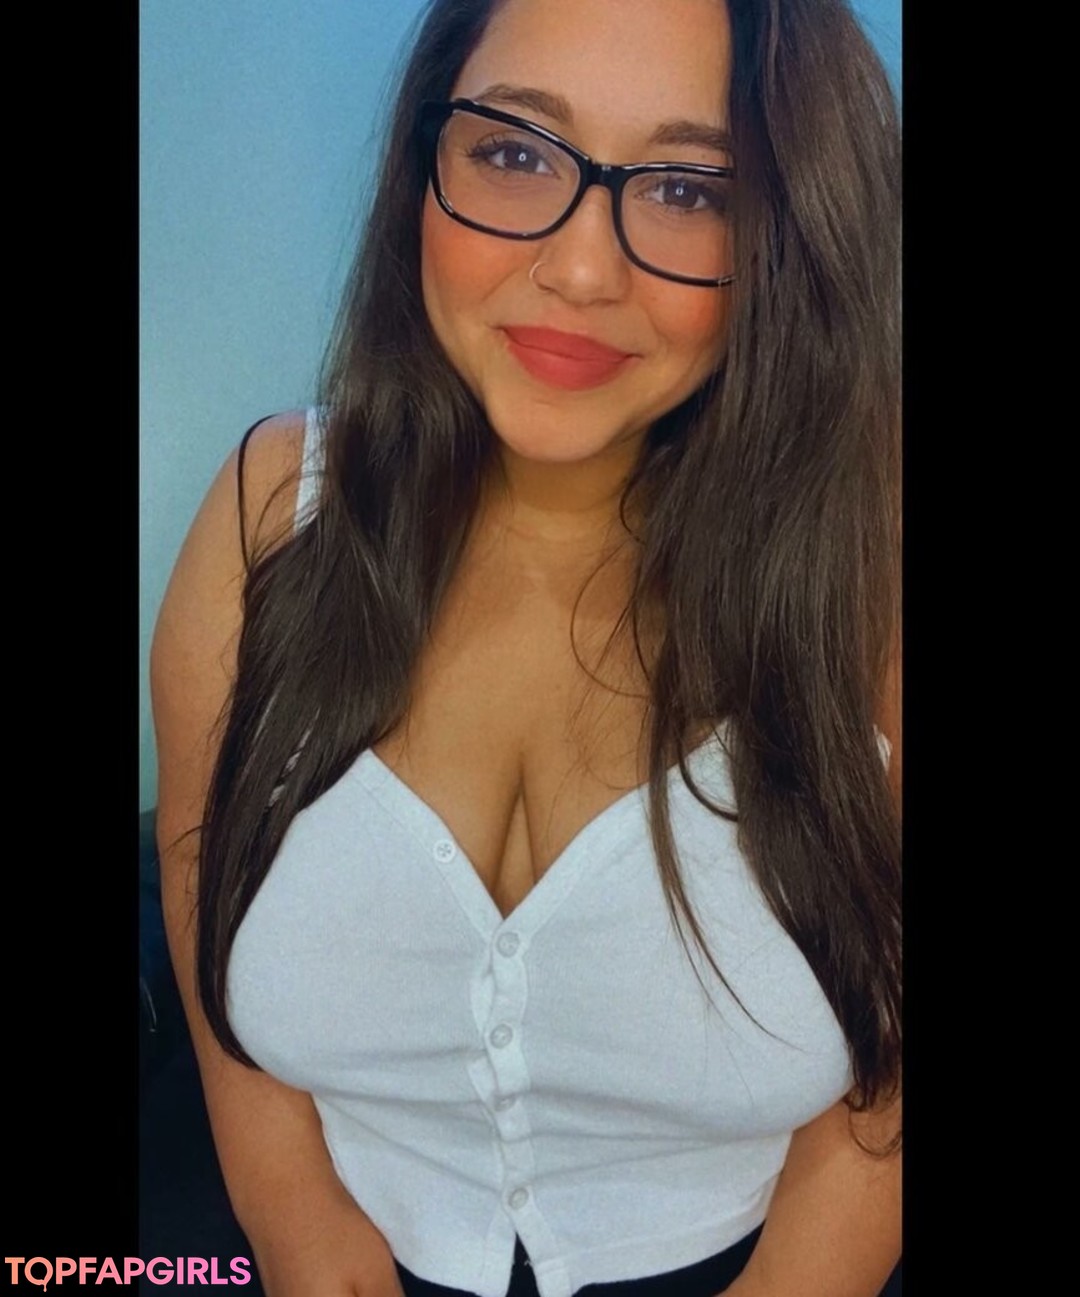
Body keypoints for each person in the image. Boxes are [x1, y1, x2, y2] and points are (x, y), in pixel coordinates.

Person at [151, 0, 901, 1293]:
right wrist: (297, 1225)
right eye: (512, 152)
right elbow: (197, 882)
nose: (581, 269)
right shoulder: (270, 514)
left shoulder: (871, 568)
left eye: (689, 189)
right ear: (422, 160)